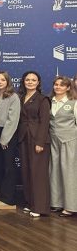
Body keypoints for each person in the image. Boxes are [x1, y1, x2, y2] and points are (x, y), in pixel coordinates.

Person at [17, 71, 51, 217]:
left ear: (38, 82)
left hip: (38, 139)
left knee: (38, 173)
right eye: (27, 80)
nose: (30, 82)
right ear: (23, 82)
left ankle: (39, 207)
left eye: (33, 80)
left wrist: (40, 142)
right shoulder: (20, 98)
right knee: (26, 171)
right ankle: (30, 203)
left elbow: (45, 122)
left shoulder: (43, 99)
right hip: (23, 138)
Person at [0, 71, 21, 211]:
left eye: (3, 80)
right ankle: (1, 196)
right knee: (0, 166)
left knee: (8, 167)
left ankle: (9, 200)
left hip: (8, 134)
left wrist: (4, 139)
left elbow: (12, 120)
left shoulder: (13, 97)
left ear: (8, 82)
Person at [49, 76, 77, 217]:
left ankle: (71, 206)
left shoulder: (74, 102)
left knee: (69, 173)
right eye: (56, 84)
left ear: (68, 87)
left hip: (69, 141)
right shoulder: (50, 101)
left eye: (61, 85)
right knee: (55, 171)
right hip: (53, 141)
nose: (58, 87)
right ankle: (57, 203)